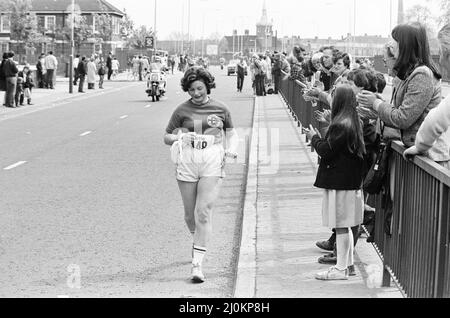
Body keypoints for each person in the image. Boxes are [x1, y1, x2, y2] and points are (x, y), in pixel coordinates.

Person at [163, 66, 239, 283]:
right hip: (187, 161)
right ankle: (198, 240)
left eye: (199, 89)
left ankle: (197, 264)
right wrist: (179, 139)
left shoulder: (221, 108)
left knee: (203, 212)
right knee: (190, 216)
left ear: (207, 86)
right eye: (191, 90)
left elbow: (232, 135)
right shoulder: (181, 110)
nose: (196, 94)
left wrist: (231, 151)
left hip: (212, 161)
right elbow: (166, 136)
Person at [357, 22, 448, 201]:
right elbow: (404, 114)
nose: (391, 46)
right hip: (419, 155)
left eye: (394, 41)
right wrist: (376, 112)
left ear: (404, 45)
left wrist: (376, 104)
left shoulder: (421, 75)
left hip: (431, 158)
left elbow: (404, 118)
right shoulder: (409, 74)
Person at [304, 83, 366, 280]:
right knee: (346, 225)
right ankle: (347, 265)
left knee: (341, 225)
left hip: (340, 181)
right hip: (350, 181)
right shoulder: (352, 121)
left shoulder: (341, 125)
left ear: (338, 101)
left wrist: (314, 138)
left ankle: (340, 268)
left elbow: (326, 151)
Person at [403, 23, 450, 169]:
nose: (440, 60)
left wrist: (420, 146)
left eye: (443, 54)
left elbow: (435, 120)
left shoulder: (422, 73)